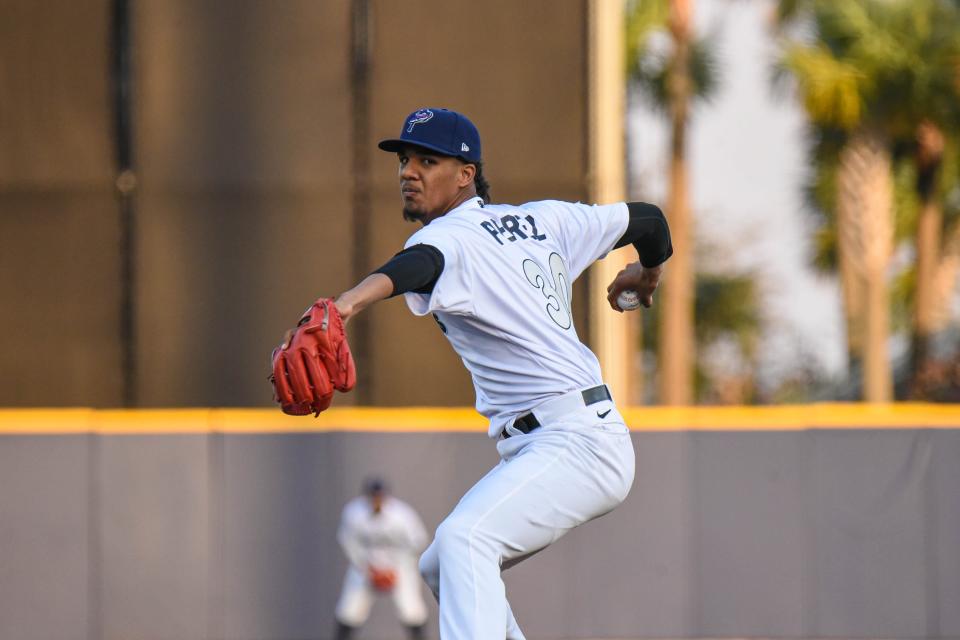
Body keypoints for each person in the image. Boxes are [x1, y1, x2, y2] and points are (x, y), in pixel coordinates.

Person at [289, 107, 672, 639]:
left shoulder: (452, 238)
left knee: (468, 539)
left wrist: (347, 304)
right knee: (441, 561)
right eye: (404, 160)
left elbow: (417, 268)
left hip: (578, 441)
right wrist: (648, 273)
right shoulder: (547, 219)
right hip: (562, 438)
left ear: (466, 173)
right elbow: (649, 220)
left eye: (427, 159)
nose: (407, 172)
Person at [333, 477, 429, 640]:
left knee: (411, 610)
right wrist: (366, 565)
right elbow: (347, 541)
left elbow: (419, 541)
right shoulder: (354, 513)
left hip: (399, 565)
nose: (377, 500)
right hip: (366, 565)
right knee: (349, 610)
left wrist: (393, 567)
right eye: (373, 496)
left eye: (380, 496)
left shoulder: (401, 514)